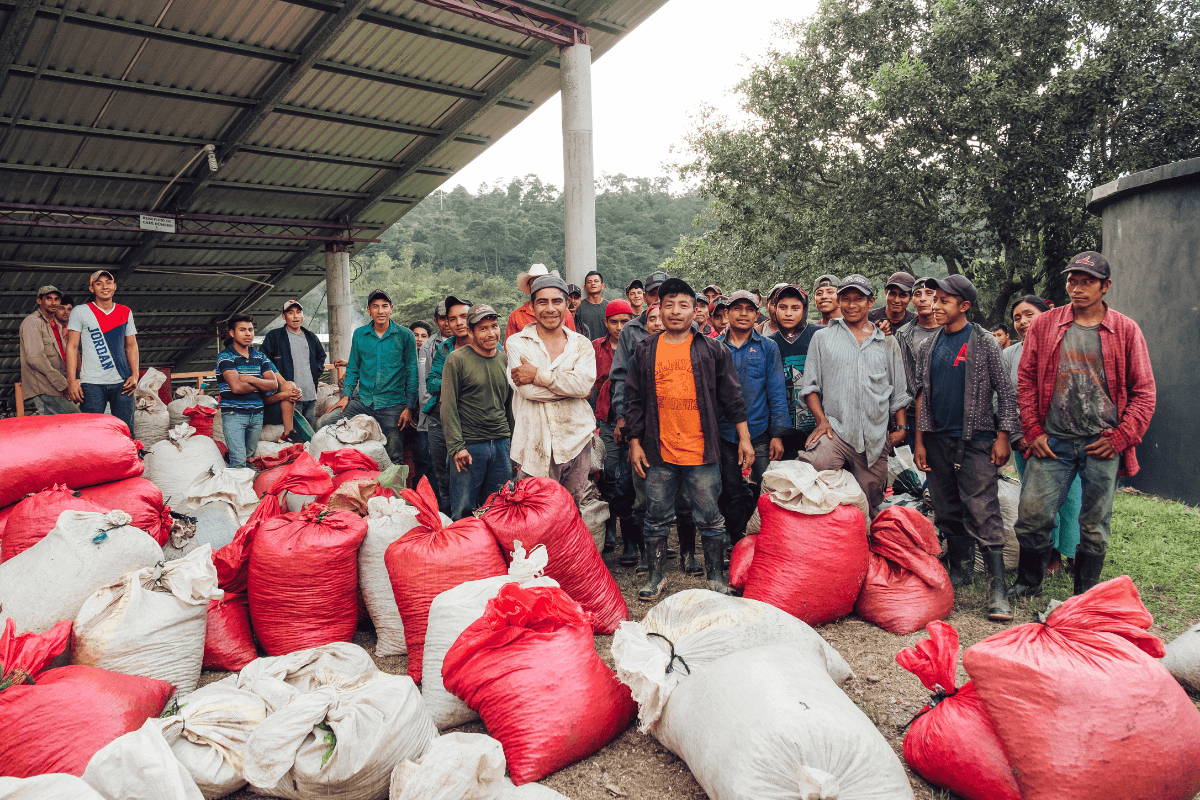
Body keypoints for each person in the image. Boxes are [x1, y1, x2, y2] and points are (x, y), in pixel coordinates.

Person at [1008, 252, 1155, 598]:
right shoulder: (1046, 325)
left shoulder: (1125, 330)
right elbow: (1026, 381)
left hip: (1100, 442)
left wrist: (1120, 438)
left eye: (1087, 281)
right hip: (1052, 441)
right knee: (1032, 517)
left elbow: (1145, 392)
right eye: (1072, 280)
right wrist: (1033, 432)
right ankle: (1030, 581)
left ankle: (1084, 593)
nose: (1077, 288)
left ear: (1106, 286)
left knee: (1094, 525)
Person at [626, 278, 752, 599]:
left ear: (695, 310)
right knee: (655, 517)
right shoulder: (645, 350)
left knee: (710, 517)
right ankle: (656, 577)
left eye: (684, 305)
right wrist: (635, 443)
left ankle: (715, 578)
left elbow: (732, 397)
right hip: (659, 451)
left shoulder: (711, 349)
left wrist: (744, 439)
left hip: (701, 450)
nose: (676, 312)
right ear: (659, 309)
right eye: (669, 305)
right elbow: (634, 400)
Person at [911, 275, 1018, 621]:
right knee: (945, 506)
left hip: (976, 438)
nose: (935, 305)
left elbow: (1005, 391)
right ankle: (959, 570)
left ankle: (997, 588)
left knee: (982, 507)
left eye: (944, 300)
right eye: (933, 299)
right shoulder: (929, 345)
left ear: (964, 306)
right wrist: (921, 441)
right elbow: (922, 395)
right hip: (938, 437)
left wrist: (1003, 436)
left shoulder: (984, 342)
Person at [800, 274, 910, 514]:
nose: (851, 305)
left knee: (870, 498)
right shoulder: (823, 338)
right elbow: (810, 387)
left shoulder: (886, 342)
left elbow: (899, 391)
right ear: (839, 301)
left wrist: (900, 430)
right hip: (836, 430)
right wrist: (821, 420)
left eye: (858, 299)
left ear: (870, 302)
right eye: (846, 299)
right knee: (811, 473)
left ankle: (864, 544)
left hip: (874, 434)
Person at [1004, 295, 1081, 568]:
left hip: (1064, 439)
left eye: (1029, 314)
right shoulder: (1009, 355)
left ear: (1048, 313)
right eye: (1017, 318)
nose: (1023, 322)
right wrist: (1018, 436)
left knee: (1070, 498)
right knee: (1035, 499)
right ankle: (1047, 555)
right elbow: (1003, 398)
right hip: (1025, 441)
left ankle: (1073, 551)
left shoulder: (1068, 347)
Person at [507, 274, 597, 504]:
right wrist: (570, 387)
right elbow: (528, 392)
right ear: (532, 306)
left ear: (567, 304)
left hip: (576, 438)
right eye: (542, 302)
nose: (550, 308)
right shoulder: (518, 342)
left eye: (557, 301)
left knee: (571, 509)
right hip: (534, 443)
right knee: (535, 512)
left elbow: (584, 385)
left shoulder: (581, 344)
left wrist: (538, 375)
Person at [717, 291, 789, 545]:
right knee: (730, 489)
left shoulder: (767, 347)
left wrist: (778, 434)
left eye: (749, 309)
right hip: (724, 433)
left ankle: (766, 539)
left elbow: (777, 390)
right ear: (726, 313)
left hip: (759, 431)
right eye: (738, 308)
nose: (743, 314)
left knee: (765, 489)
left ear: (756, 314)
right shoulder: (715, 346)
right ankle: (736, 540)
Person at [441, 305, 514, 519]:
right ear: (471, 333)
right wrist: (456, 447)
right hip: (470, 447)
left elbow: (510, 406)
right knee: (464, 510)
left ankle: (491, 552)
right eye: (483, 329)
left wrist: (514, 444)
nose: (491, 333)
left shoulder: (504, 359)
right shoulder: (457, 360)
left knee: (498, 507)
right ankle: (464, 552)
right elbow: (448, 405)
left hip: (501, 444)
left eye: (494, 326)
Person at [329, 290, 418, 464]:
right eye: (375, 307)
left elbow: (412, 372)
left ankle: (395, 489)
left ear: (391, 309)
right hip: (364, 401)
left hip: (393, 403)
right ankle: (336, 471)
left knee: (395, 453)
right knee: (326, 422)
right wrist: (346, 396)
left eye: (384, 306)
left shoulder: (405, 335)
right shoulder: (360, 334)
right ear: (368, 310)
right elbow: (354, 367)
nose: (380, 311)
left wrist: (409, 407)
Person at [592, 299, 639, 564]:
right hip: (605, 422)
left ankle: (632, 541)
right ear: (606, 323)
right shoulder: (595, 349)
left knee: (631, 482)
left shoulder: (640, 345)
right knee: (608, 477)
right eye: (614, 322)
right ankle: (610, 531)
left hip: (634, 422)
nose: (620, 327)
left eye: (625, 321)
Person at [65, 270, 139, 431]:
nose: (104, 287)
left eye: (108, 282)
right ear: (91, 288)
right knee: (92, 432)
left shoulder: (125, 311)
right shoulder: (80, 311)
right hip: (92, 383)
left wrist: (135, 374)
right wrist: (72, 381)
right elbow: (72, 347)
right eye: (99, 283)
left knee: (125, 430)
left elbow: (131, 345)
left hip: (122, 382)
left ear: (115, 286)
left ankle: (129, 457)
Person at [423, 296, 473, 512]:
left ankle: (468, 523)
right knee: (441, 473)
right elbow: (432, 383)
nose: (459, 323)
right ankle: (446, 521)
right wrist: (459, 382)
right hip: (438, 418)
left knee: (466, 474)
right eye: (453, 319)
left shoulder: (487, 343)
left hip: (470, 422)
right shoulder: (446, 347)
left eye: (464, 317)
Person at [215, 314, 280, 468]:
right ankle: (237, 490)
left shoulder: (260, 356)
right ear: (232, 333)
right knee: (238, 461)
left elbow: (274, 385)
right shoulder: (225, 357)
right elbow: (236, 388)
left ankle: (247, 489)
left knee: (250, 458)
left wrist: (250, 379)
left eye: (250, 330)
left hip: (257, 415)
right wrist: (261, 383)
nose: (248, 334)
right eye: (242, 330)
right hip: (234, 415)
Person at [259, 299, 327, 436]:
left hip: (310, 393)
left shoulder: (310, 336)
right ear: (284, 316)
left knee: (310, 431)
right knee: (295, 432)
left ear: (302, 315)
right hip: (289, 396)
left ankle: (310, 456)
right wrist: (279, 385)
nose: (295, 316)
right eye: (290, 313)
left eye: (298, 312)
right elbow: (263, 361)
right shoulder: (274, 337)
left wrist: (315, 373)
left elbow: (321, 356)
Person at [769, 285, 822, 458]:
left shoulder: (820, 335)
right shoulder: (768, 343)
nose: (788, 313)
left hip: (819, 424)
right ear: (774, 309)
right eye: (783, 307)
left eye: (795, 308)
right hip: (784, 428)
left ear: (805, 310)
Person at [896, 277, 942, 448]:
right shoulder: (903, 334)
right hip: (912, 415)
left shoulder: (950, 330)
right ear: (912, 300)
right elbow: (897, 377)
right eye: (917, 294)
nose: (923, 298)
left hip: (945, 413)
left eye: (929, 293)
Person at [19, 285, 77, 415]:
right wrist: (61, 382)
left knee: (58, 428)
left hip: (56, 387)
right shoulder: (32, 322)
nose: (53, 302)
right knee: (74, 416)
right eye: (49, 298)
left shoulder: (56, 325)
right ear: (39, 301)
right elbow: (35, 358)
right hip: (43, 387)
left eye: (56, 299)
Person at [418, 301, 453, 502]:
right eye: (443, 319)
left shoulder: (469, 341)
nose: (447, 323)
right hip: (435, 411)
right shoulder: (429, 346)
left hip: (463, 415)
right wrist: (427, 410)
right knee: (436, 464)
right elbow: (424, 383)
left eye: (451, 318)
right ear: (436, 321)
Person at [506, 263, 577, 339]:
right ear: (529, 286)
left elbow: (573, 341)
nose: (539, 284)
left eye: (542, 279)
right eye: (534, 281)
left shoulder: (565, 313)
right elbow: (510, 346)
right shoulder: (516, 316)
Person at [575, 270, 609, 344]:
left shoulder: (609, 306)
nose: (593, 283)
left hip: (606, 349)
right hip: (585, 349)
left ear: (603, 286)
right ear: (585, 287)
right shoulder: (579, 307)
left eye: (596, 281)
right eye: (589, 282)